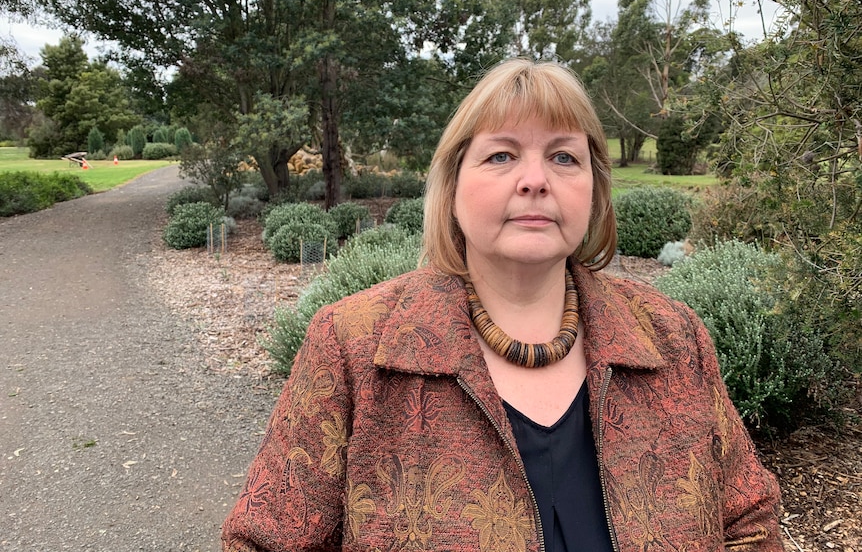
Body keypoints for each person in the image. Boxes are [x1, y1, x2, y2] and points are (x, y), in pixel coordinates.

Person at [222, 59, 782, 552]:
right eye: (501, 155)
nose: (535, 180)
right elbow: (264, 540)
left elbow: (749, 522)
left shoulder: (672, 339)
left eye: (564, 156)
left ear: (594, 189)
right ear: (453, 186)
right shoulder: (353, 347)